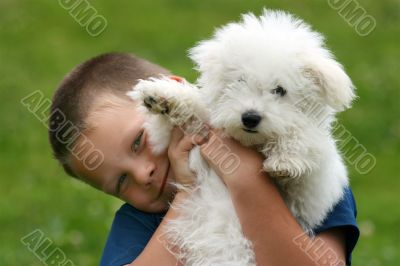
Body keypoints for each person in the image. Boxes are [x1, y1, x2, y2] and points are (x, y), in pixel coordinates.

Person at [49, 52, 359, 266]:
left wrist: (247, 179)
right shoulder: (139, 223)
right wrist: (187, 193)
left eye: (137, 143)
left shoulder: (303, 169)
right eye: (121, 182)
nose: (143, 174)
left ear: (168, 97)